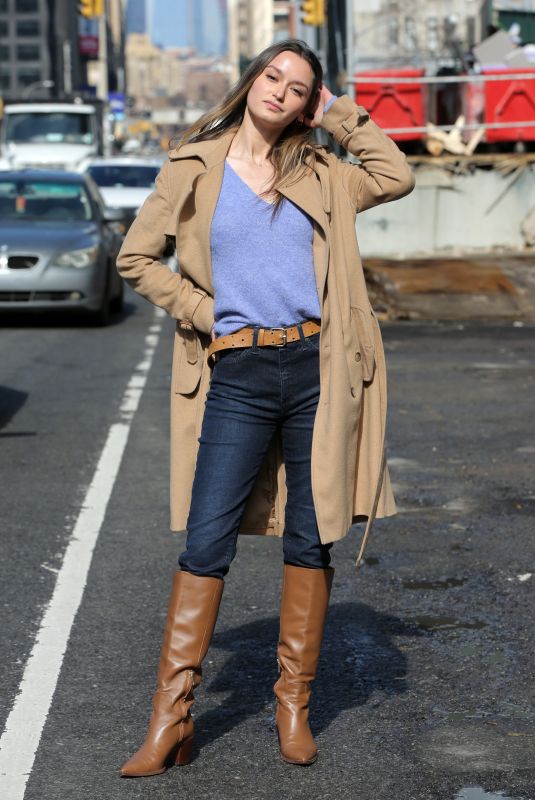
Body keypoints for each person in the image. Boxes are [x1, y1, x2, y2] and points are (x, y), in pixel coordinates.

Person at [116, 38, 415, 777]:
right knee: (205, 541)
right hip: (238, 372)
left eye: (299, 86)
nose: (280, 91)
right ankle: (171, 719)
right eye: (272, 75)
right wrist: (203, 310)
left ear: (309, 101)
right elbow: (136, 258)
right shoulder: (195, 165)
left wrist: (339, 114)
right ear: (251, 80)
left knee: (310, 540)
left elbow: (396, 173)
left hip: (316, 368)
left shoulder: (324, 173)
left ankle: (292, 707)